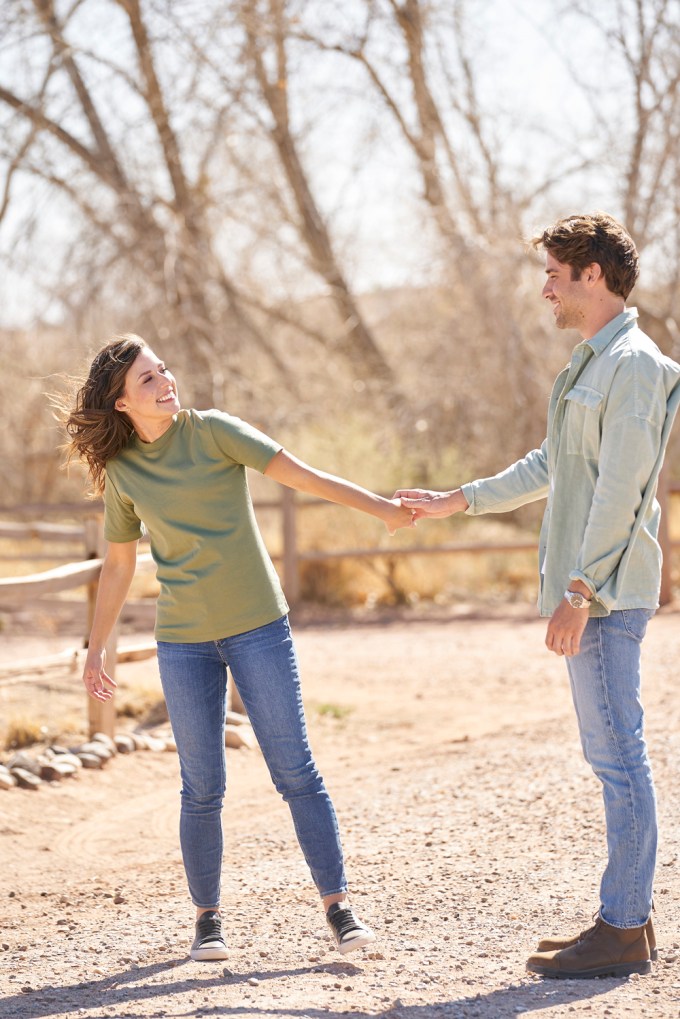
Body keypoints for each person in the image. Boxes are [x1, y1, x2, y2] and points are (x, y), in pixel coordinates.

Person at [64, 335, 414, 963]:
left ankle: (340, 910)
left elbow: (303, 476)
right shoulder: (123, 473)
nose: (166, 382)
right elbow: (118, 566)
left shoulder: (214, 432)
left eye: (164, 370)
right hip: (183, 641)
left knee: (295, 770)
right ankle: (208, 922)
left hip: (258, 626)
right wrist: (97, 648)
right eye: (148, 380)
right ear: (120, 404)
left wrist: (382, 509)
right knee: (201, 786)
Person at [396, 213, 680, 980]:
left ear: (593, 275)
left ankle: (622, 926)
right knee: (610, 755)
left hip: (608, 595)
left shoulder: (636, 367)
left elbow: (622, 492)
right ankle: (631, 919)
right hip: (592, 590)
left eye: (555, 271)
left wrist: (580, 590)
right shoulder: (592, 364)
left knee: (621, 758)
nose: (545, 286)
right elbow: (548, 465)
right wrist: (455, 499)